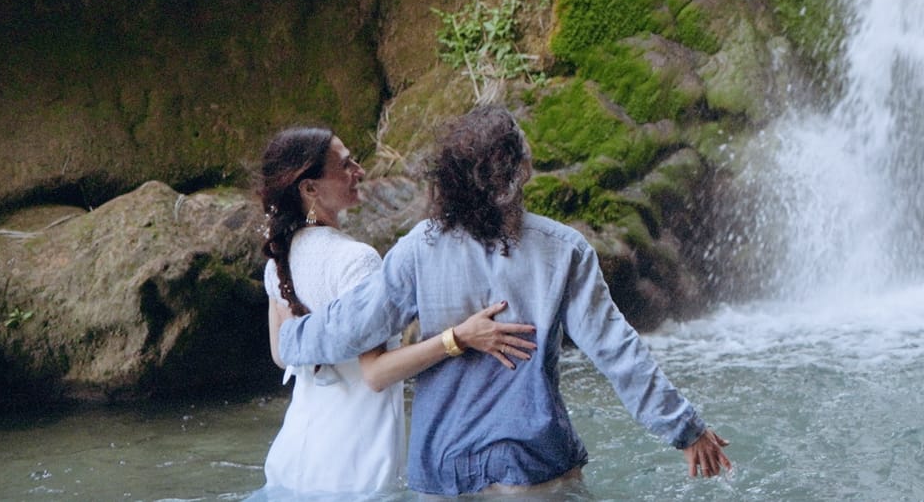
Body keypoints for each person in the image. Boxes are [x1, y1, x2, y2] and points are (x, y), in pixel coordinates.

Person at [276, 106, 732, 495]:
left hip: (441, 467)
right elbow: (616, 350)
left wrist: (289, 337)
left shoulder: (420, 247)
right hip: (533, 461)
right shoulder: (563, 249)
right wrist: (685, 430)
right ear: (521, 172)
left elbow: (351, 325)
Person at [256, 126, 537, 495]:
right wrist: (459, 338)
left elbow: (282, 355)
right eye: (345, 165)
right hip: (354, 458)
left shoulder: (280, 256)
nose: (360, 170)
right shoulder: (356, 260)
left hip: (295, 451)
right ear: (310, 188)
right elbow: (375, 374)